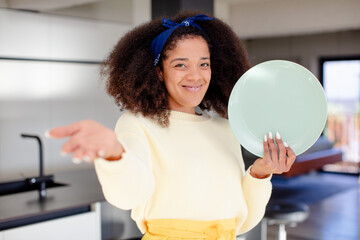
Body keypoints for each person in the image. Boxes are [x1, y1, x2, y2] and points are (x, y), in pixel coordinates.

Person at [47, 11, 296, 239]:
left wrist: (261, 172)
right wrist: (114, 154)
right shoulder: (138, 124)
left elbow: (244, 220)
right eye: (180, 64)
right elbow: (128, 195)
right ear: (158, 72)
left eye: (204, 63)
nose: (195, 75)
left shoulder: (226, 129)